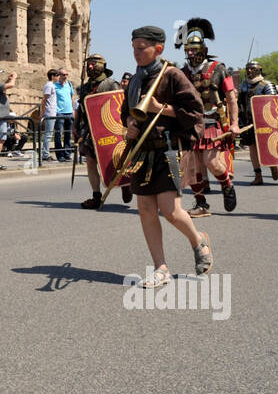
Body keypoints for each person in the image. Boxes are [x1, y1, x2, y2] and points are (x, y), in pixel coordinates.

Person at [121, 26, 210, 289]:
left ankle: (198, 240)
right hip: (142, 152)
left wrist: (161, 109)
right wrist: (129, 123)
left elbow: (195, 114)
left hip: (169, 149)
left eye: (142, 48)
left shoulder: (173, 75)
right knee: (146, 210)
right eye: (134, 47)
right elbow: (125, 111)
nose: (136, 53)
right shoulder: (135, 80)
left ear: (158, 49)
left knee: (171, 211)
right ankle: (161, 268)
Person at [177, 17, 240, 217]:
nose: (190, 53)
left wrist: (235, 124)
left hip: (212, 120)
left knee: (211, 162)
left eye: (193, 49)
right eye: (187, 49)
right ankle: (200, 203)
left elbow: (231, 98)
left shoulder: (218, 69)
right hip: (190, 124)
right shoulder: (182, 72)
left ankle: (227, 185)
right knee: (191, 166)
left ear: (203, 50)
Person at [74, 54, 121, 210]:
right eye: (88, 64)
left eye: (93, 64)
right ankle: (96, 196)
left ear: (102, 65)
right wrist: (75, 125)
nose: (90, 67)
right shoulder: (85, 87)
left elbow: (119, 107)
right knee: (90, 162)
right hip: (89, 130)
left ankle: (125, 184)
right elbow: (81, 108)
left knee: (113, 161)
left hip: (108, 130)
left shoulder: (111, 85)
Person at [238, 60, 278, 184]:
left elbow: (273, 104)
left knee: (267, 145)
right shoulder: (243, 85)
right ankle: (258, 175)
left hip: (264, 121)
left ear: (258, 70)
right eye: (248, 69)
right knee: (252, 148)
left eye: (252, 68)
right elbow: (240, 103)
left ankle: (272, 165)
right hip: (248, 121)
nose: (249, 71)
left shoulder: (267, 85)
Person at [53, 68, 75, 161]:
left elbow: (72, 97)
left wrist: (73, 109)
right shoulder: (54, 86)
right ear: (59, 75)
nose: (65, 76)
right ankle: (60, 155)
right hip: (59, 112)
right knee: (58, 134)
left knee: (68, 134)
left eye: (66, 74)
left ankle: (67, 154)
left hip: (69, 112)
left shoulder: (69, 84)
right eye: (63, 75)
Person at [40, 69, 59, 162]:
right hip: (49, 112)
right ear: (52, 76)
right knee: (48, 134)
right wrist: (42, 113)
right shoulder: (49, 85)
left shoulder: (52, 85)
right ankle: (45, 154)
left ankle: (45, 153)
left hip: (52, 111)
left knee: (49, 134)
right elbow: (44, 100)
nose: (58, 77)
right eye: (57, 75)